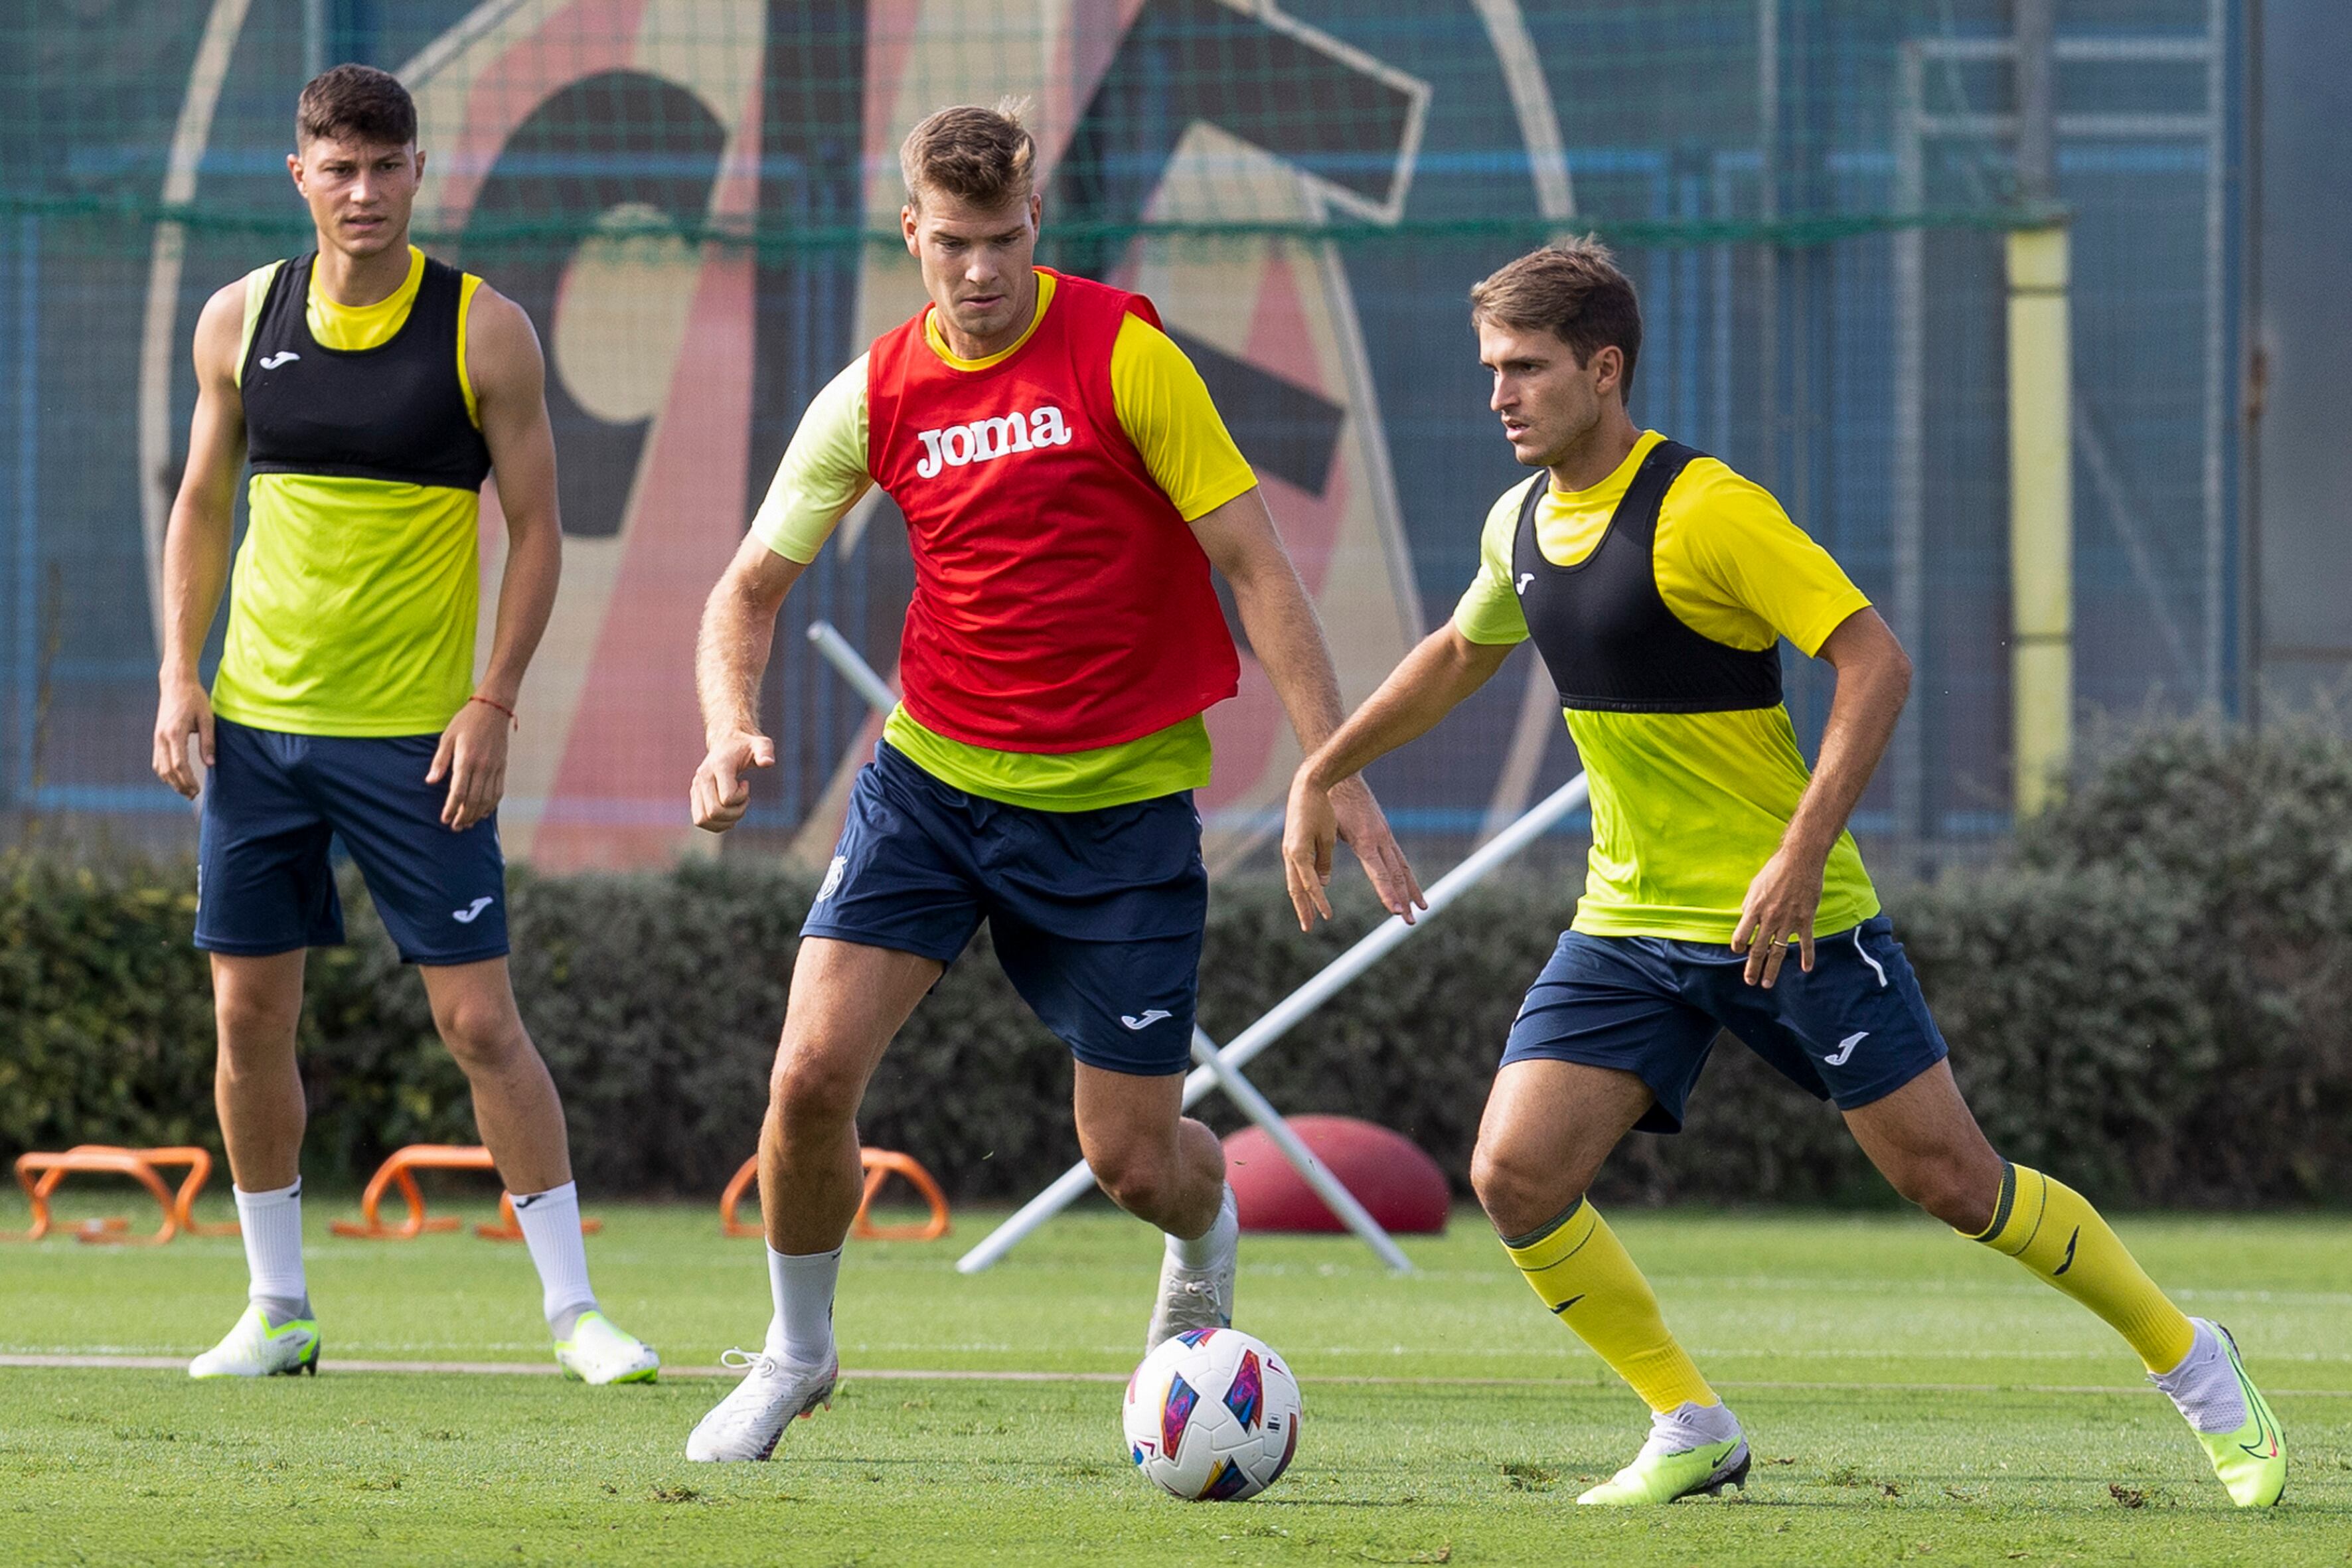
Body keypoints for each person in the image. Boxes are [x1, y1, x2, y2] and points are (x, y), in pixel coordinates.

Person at [1280, 240, 2284, 1508]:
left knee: (1952, 1181)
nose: (1500, 395)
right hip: (1628, 926)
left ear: (1605, 369)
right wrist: (1325, 767)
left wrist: (1802, 852)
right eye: (1490, 369)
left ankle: (2197, 1365)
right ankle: (1689, 1422)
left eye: (1526, 368)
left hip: (1792, 921)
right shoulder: (1518, 521)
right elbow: (1452, 653)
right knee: (1514, 1175)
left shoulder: (1709, 509)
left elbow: (1877, 661)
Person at [684, 100, 1420, 1464]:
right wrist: (728, 728)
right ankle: (796, 1350)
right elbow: (744, 594)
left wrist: (1340, 770)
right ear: (912, 233)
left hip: (1118, 814)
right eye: (952, 242)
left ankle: (1207, 1223)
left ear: (1038, 224)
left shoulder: (1126, 359)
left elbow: (1257, 570)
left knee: (1131, 1159)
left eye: (1003, 238)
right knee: (805, 1080)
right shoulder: (871, 393)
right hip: (930, 791)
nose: (979, 270)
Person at [151, 64, 657, 1385]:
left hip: (417, 744)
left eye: (386, 167)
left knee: (481, 1025)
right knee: (246, 1016)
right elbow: (201, 505)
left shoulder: (482, 332)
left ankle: (574, 1314)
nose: (363, 192)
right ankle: (278, 1307)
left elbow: (543, 530)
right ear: (299, 176)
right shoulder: (237, 319)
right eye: (339, 167)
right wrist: (177, 673)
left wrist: (492, 700)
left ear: (417, 172)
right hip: (258, 736)